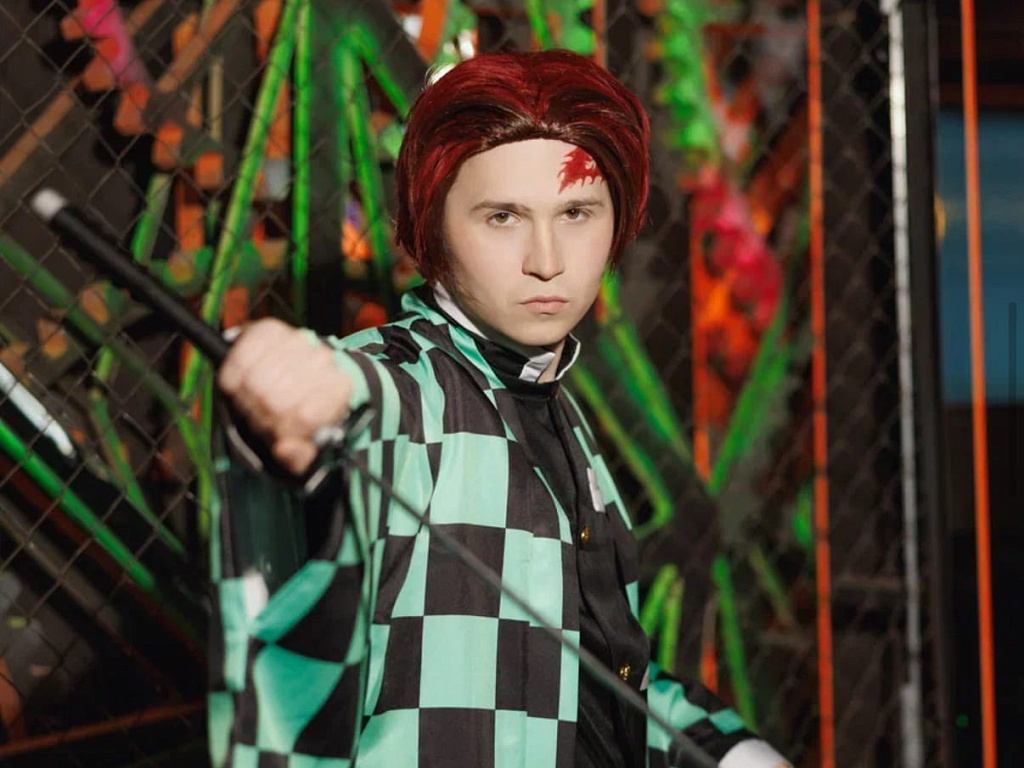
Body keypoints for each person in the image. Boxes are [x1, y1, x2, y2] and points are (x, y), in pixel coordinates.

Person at [210, 49, 790, 768]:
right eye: (503, 216)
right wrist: (307, 392)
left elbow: (595, 677)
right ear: (433, 227)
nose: (546, 259)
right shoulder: (409, 384)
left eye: (576, 213)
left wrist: (726, 749)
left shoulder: (554, 406)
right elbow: (364, 398)